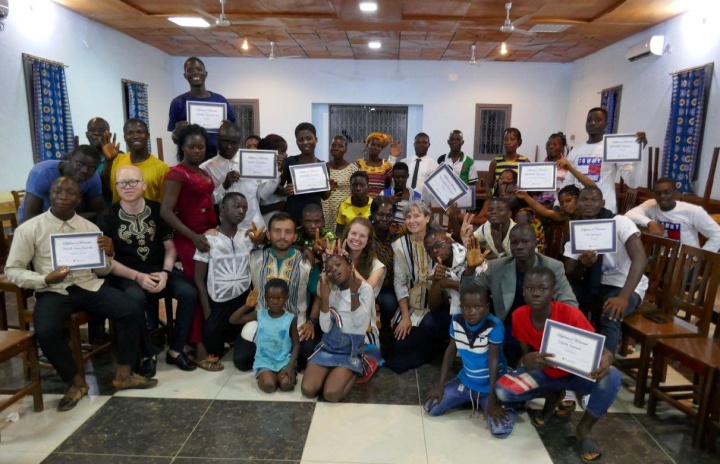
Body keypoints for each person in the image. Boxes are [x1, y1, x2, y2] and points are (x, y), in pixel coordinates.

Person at [6, 177, 157, 412]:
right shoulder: (30, 229)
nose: (63, 196)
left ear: (79, 198)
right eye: (57, 191)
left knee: (131, 309)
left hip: (89, 286)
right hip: (54, 290)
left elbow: (102, 270)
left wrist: (108, 253)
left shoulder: (90, 228)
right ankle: (76, 382)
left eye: (70, 193)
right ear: (50, 195)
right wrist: (44, 279)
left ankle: (124, 374)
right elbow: (12, 269)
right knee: (45, 330)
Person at [495, 266, 621, 462]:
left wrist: (607, 358)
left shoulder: (571, 315)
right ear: (523, 291)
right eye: (529, 288)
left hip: (576, 376)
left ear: (553, 292)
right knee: (503, 390)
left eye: (542, 288)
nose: (535, 292)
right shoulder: (519, 315)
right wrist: (527, 361)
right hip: (545, 375)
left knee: (612, 376)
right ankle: (553, 395)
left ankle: (584, 429)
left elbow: (600, 349)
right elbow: (525, 356)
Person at [97, 166, 197, 372]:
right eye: (122, 183)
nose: (128, 186)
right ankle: (147, 353)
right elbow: (106, 260)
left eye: (133, 181)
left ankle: (176, 350)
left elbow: (170, 248)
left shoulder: (157, 210)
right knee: (135, 300)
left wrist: (166, 273)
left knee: (189, 292)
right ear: (116, 187)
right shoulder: (107, 216)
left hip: (159, 269)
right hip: (125, 274)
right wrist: (137, 277)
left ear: (143, 184)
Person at [462, 225, 578, 367]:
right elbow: (469, 294)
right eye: (515, 243)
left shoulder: (553, 267)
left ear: (536, 243)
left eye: (525, 242)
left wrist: (556, 334)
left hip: (541, 327)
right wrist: (470, 269)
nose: (519, 246)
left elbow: (569, 303)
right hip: (508, 326)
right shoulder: (497, 267)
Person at [563, 186, 648, 354]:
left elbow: (640, 259)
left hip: (624, 284)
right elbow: (570, 272)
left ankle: (604, 365)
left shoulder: (620, 222)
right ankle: (570, 351)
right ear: (578, 203)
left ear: (602, 203)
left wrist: (623, 297)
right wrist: (582, 264)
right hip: (594, 283)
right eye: (584, 200)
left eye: (594, 200)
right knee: (561, 294)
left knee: (612, 312)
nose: (588, 204)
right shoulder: (577, 229)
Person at [424, 283, 514, 438]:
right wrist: (440, 386)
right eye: (466, 307)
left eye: (477, 307)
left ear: (486, 307)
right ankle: (470, 396)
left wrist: (492, 398)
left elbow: (493, 361)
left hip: (490, 385)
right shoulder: (457, 320)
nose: (471, 312)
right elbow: (450, 351)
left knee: (501, 429)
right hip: (467, 381)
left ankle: (500, 401)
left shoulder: (494, 325)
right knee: (431, 408)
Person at [161, 124, 218, 363]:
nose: (197, 150)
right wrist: (193, 236)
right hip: (190, 239)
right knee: (195, 291)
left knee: (209, 287)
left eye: (201, 146)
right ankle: (197, 344)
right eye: (192, 146)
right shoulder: (177, 173)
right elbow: (166, 211)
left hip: (208, 237)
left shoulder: (203, 172)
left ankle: (208, 335)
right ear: (182, 147)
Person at [235, 212, 319, 371]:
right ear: (268, 234)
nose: (282, 236)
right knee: (242, 361)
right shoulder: (254, 258)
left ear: (295, 237)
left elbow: (318, 295)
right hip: (261, 322)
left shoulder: (307, 262)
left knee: (307, 360)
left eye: (288, 232)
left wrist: (311, 322)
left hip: (296, 323)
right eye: (277, 231)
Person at [194, 192, 265, 371]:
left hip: (242, 302)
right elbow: (198, 277)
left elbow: (264, 246)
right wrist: (207, 310)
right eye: (237, 206)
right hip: (217, 303)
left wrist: (259, 240)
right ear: (223, 208)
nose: (241, 211)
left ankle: (235, 338)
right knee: (215, 351)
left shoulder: (247, 237)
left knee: (243, 348)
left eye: (245, 208)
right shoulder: (209, 239)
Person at [301, 252, 373, 402]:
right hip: (329, 347)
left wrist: (354, 293)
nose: (333, 269)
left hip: (350, 351)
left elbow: (360, 325)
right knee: (308, 390)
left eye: (338, 265)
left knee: (331, 394)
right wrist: (325, 299)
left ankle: (356, 369)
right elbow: (325, 328)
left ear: (349, 265)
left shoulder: (365, 289)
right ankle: (331, 372)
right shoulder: (331, 291)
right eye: (329, 269)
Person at [384, 201, 446, 372]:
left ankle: (440, 342)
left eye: (416, 215)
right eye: (408, 217)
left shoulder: (442, 241)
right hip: (413, 307)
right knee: (399, 352)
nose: (412, 220)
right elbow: (400, 282)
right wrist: (405, 316)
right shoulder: (400, 246)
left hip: (439, 305)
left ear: (427, 218)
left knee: (429, 326)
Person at [557, 107, 645, 214]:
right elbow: (568, 182)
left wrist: (638, 155)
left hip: (605, 211)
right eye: (589, 120)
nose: (592, 123)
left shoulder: (613, 148)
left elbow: (633, 183)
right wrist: (557, 205)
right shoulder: (576, 150)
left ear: (606, 124)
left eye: (598, 120)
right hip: (579, 212)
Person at [202, 121, 280, 230]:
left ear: (239, 142)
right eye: (225, 141)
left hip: (255, 227)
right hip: (227, 230)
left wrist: (277, 172)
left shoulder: (251, 159)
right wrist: (224, 186)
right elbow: (208, 202)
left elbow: (263, 194)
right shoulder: (206, 168)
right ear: (217, 140)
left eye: (234, 142)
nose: (229, 146)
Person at [230, 282, 300, 393]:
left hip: (283, 362)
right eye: (271, 298)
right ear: (265, 298)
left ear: (286, 298)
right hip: (264, 361)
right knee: (269, 386)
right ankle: (267, 376)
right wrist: (247, 306)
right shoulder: (259, 314)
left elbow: (296, 344)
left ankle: (281, 376)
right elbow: (233, 320)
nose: (275, 302)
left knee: (286, 385)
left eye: (279, 298)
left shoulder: (291, 318)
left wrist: (291, 366)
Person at [626, 176, 720, 251]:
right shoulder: (651, 205)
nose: (662, 196)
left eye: (667, 192)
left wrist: (697, 258)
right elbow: (629, 215)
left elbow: (717, 234)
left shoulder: (692, 211)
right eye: (658, 193)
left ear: (675, 193)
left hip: (683, 261)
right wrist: (650, 223)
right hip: (659, 259)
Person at [167, 57, 236, 159]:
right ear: (185, 75)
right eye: (190, 70)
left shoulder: (220, 100)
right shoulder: (178, 102)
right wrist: (176, 134)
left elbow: (234, 132)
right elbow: (175, 139)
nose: (195, 73)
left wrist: (228, 129)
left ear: (206, 74)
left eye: (199, 69)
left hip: (217, 158)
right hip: (190, 160)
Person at [19, 145, 104, 223]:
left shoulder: (93, 178)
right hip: (39, 219)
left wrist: (67, 221)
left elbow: (99, 212)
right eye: (79, 164)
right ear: (70, 158)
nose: (84, 171)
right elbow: (29, 217)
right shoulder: (43, 172)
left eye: (92, 168)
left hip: (72, 220)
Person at [107, 119, 169, 203]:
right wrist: (109, 160)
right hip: (118, 214)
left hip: (149, 214)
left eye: (140, 132)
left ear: (148, 136)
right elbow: (112, 190)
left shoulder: (161, 168)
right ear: (125, 138)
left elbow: (165, 202)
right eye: (130, 133)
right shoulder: (117, 160)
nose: (135, 136)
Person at [280, 123, 332, 224]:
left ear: (316, 140)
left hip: (314, 217)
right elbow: (277, 188)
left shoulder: (323, 166)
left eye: (309, 138)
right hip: (293, 215)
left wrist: (329, 189)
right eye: (300, 140)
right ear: (297, 142)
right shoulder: (290, 161)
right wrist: (285, 191)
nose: (305, 142)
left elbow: (324, 196)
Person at [371, 196, 406, 330]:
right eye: (380, 214)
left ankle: (385, 330)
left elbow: (422, 224)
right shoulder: (365, 233)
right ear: (373, 214)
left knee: (389, 303)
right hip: (366, 282)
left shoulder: (397, 232)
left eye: (388, 215)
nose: (384, 219)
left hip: (388, 285)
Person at [323, 135, 358, 232]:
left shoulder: (352, 169)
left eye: (340, 146)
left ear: (345, 149)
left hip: (345, 212)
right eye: (333, 145)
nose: (336, 148)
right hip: (326, 211)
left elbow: (356, 192)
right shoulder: (323, 167)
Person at [487, 128, 530, 197]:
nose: (508, 142)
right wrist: (490, 199)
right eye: (505, 139)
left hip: (517, 201)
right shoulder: (495, 162)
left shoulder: (525, 162)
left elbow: (528, 187)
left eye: (512, 139)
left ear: (519, 142)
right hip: (498, 201)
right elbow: (489, 186)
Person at [257, 134, 289, 225]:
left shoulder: (281, 167)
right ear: (271, 152)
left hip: (279, 219)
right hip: (265, 220)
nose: (285, 154)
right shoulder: (260, 170)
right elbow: (263, 194)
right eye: (282, 151)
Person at [533, 132, 570, 208]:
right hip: (540, 203)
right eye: (548, 144)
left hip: (560, 205)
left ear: (562, 147)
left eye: (555, 144)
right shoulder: (539, 166)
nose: (551, 147)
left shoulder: (568, 167)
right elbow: (534, 191)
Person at [356, 132, 398, 198]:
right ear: (367, 145)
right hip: (362, 202)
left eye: (378, 146)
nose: (375, 147)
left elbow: (387, 185)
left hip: (379, 203)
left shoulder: (386, 165)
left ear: (381, 148)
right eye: (372, 144)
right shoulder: (359, 163)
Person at [336, 171, 373, 237]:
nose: (358, 189)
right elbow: (339, 231)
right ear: (350, 187)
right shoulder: (344, 206)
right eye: (354, 185)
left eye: (362, 185)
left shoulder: (374, 205)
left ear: (368, 187)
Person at [403, 132, 438, 198]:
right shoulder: (404, 162)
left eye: (424, 142)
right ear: (414, 144)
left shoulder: (435, 165)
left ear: (429, 145)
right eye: (418, 142)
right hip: (404, 201)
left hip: (423, 203)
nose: (421, 145)